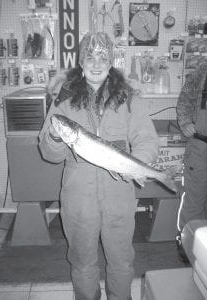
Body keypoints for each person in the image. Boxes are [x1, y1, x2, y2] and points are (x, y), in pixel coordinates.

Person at [38, 32, 159, 300]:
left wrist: (137, 165)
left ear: (111, 61)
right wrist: (55, 138)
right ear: (81, 62)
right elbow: (49, 153)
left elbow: (147, 139)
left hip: (119, 195)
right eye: (89, 57)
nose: (96, 63)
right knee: (82, 262)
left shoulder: (129, 97)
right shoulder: (63, 99)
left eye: (102, 57)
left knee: (121, 261)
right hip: (78, 197)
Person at [176, 62, 207, 260]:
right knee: (193, 200)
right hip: (201, 147)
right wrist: (185, 121)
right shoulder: (202, 71)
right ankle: (188, 246)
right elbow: (185, 99)